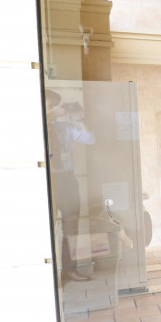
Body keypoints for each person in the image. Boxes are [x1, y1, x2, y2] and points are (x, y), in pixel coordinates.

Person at [46, 89, 97, 283]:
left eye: (58, 104)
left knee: (71, 226)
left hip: (66, 180)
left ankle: (69, 270)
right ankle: (48, 273)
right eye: (54, 105)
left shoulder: (65, 127)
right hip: (46, 180)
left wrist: (79, 118)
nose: (59, 108)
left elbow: (90, 139)